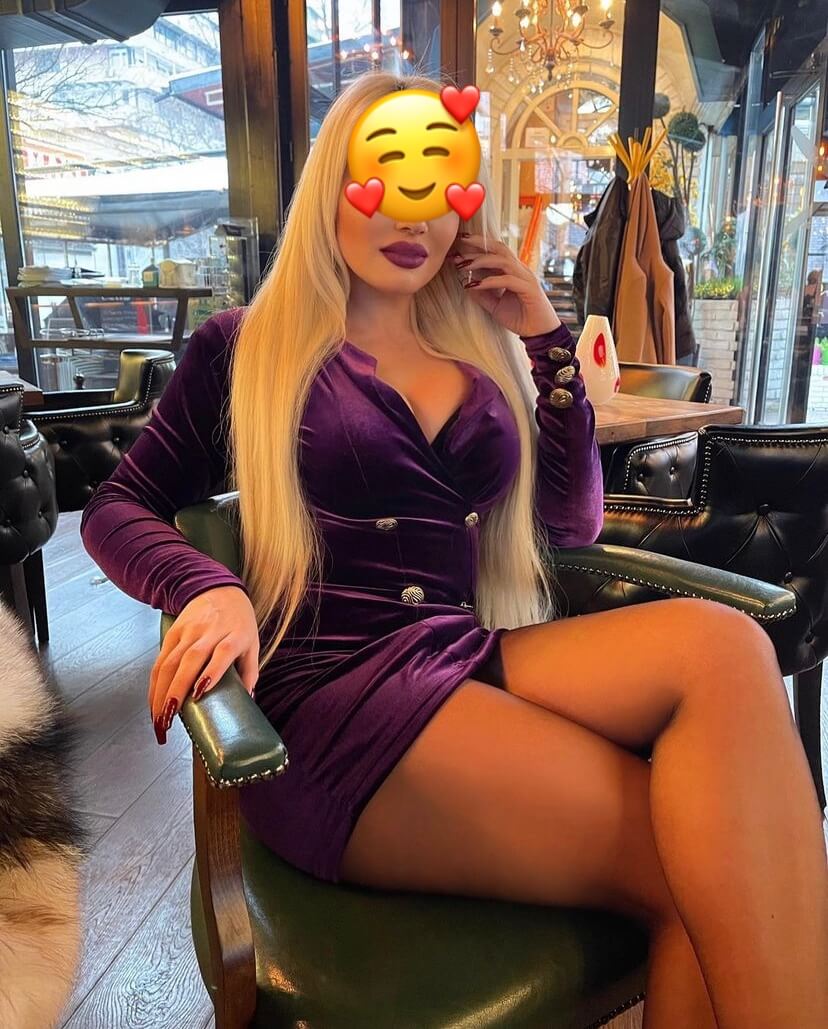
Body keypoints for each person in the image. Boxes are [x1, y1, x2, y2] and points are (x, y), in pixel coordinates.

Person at [80, 72, 828, 1028]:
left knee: (729, 647)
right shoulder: (249, 346)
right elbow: (116, 506)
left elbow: (569, 527)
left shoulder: (476, 350)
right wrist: (207, 585)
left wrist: (548, 342)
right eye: (384, 179)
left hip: (461, 653)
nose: (412, 214)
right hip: (334, 704)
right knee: (704, 868)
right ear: (333, 187)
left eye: (438, 187)